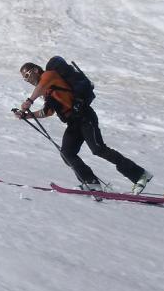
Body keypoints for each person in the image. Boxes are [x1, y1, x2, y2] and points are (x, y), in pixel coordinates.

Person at [16, 61, 153, 194]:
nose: (27, 80)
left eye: (27, 75)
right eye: (24, 79)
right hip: (73, 123)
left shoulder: (49, 75)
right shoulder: (46, 91)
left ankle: (140, 175)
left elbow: (40, 87)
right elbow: (48, 112)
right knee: (67, 153)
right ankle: (90, 181)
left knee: (98, 149)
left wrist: (29, 101)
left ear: (35, 70)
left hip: (85, 117)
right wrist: (27, 116)